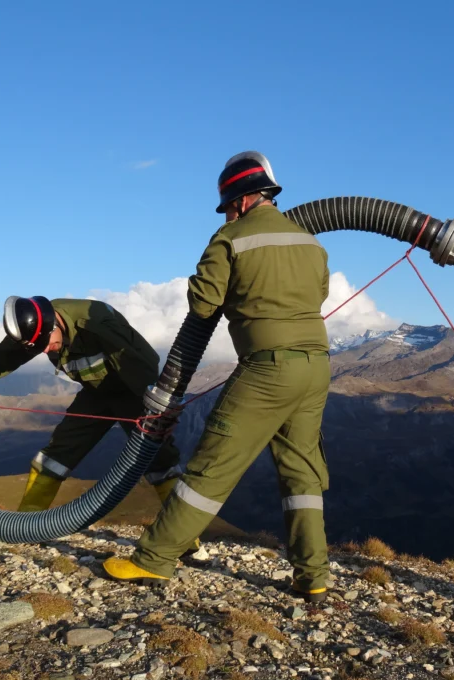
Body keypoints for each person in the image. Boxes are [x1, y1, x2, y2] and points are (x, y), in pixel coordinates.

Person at [102, 151, 333, 603]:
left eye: (227, 206)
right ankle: (313, 575)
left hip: (268, 368)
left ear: (242, 200)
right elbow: (320, 292)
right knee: (301, 470)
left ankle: (153, 559)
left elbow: (204, 305)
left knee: (213, 463)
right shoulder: (310, 240)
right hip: (318, 367)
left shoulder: (230, 237)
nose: (226, 214)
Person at [0, 297, 183, 511]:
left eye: (46, 343)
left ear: (55, 323)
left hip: (132, 389)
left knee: (158, 458)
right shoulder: (34, 326)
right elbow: (1, 358)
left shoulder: (97, 325)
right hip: (96, 392)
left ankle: (180, 539)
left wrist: (159, 412)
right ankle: (26, 526)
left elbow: (143, 364)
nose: (44, 351)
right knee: (53, 457)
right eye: (38, 347)